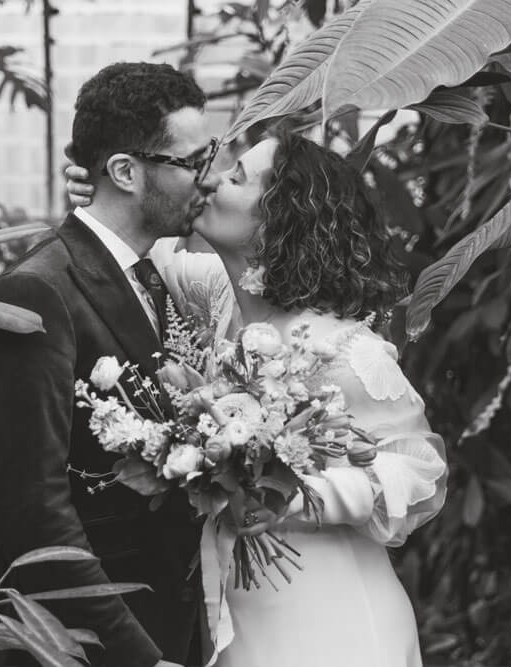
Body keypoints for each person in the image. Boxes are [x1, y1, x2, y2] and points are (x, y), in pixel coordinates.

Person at [65, 126, 447, 666]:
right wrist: (106, 192)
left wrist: (293, 495)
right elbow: (120, 248)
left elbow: (421, 473)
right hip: (239, 623)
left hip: (331, 620)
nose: (213, 180)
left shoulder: (345, 350)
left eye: (237, 177)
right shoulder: (216, 300)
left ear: (279, 217)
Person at [0, 61, 220, 667]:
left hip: (168, 623)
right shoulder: (36, 292)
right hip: (83, 645)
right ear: (127, 172)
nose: (207, 181)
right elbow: (32, 508)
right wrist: (139, 657)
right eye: (193, 163)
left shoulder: (150, 277)